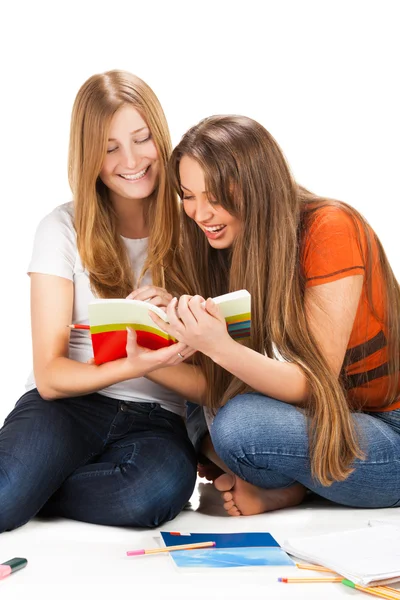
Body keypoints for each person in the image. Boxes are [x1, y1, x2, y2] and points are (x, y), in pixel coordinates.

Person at [151, 114, 400, 516]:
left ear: (256, 185)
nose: (200, 213)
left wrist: (216, 344)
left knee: (240, 427)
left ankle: (285, 486)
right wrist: (153, 349)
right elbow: (218, 387)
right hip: (320, 422)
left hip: (385, 431)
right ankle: (288, 484)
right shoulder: (230, 244)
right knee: (194, 409)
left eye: (214, 195)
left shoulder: (330, 227)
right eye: (188, 195)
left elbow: (309, 385)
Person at [0, 70, 204, 533]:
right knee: (3, 499)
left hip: (156, 419)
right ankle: (26, 484)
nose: (131, 160)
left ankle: (40, 487)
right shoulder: (61, 229)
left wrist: (169, 340)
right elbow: (51, 378)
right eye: (110, 148)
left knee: (150, 495)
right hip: (68, 406)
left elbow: (215, 385)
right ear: (89, 155)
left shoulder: (196, 223)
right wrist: (130, 363)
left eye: (142, 139)